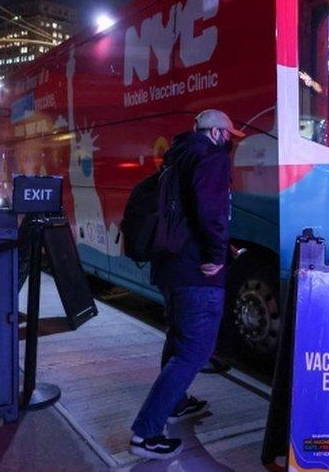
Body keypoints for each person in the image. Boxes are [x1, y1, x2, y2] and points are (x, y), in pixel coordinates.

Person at [129, 109, 244, 460]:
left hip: (170, 267)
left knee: (178, 339)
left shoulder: (174, 159)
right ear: (214, 133)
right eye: (228, 136)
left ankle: (176, 403)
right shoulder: (211, 157)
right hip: (197, 272)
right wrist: (217, 254)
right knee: (195, 351)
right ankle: (145, 433)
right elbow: (210, 211)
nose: (229, 143)